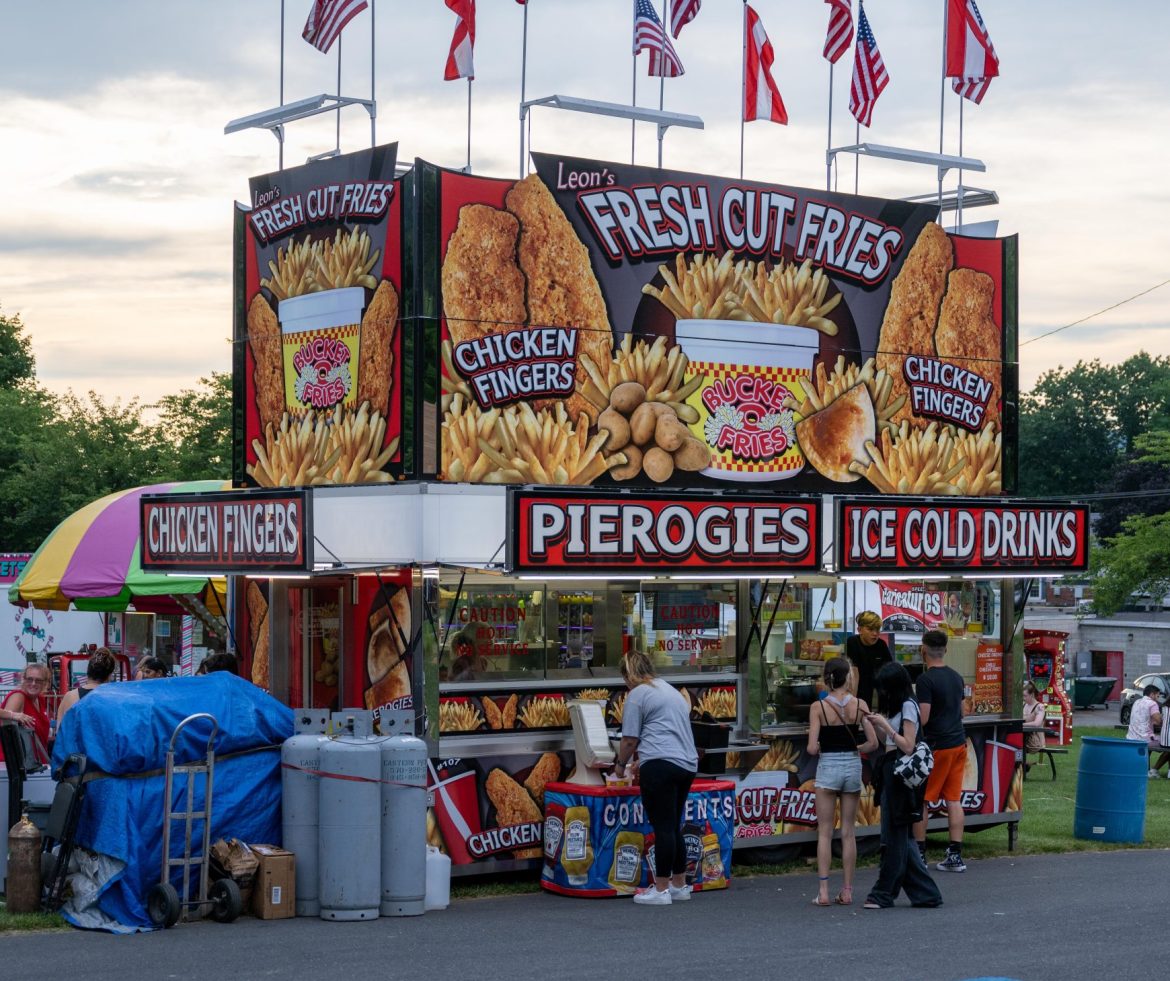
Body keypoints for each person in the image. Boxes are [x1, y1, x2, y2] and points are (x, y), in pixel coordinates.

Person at [612, 649, 698, 907]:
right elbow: (666, 730)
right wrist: (643, 759)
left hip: (660, 765)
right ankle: (679, 885)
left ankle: (660, 889)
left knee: (662, 827)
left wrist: (620, 765)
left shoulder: (638, 694)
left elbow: (629, 739)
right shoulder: (669, 690)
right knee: (673, 825)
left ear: (629, 674)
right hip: (686, 764)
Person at [863, 661, 943, 909]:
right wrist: (873, 724)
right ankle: (926, 893)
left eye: (884, 688)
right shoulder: (901, 705)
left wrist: (885, 725)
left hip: (899, 775)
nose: (881, 693)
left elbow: (907, 745)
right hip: (892, 771)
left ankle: (884, 892)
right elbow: (888, 741)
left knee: (894, 835)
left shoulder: (909, 706)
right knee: (902, 836)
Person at [806, 657, 878, 906]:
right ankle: (847, 891)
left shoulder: (818, 707)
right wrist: (853, 747)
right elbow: (873, 743)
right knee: (848, 832)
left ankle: (824, 892)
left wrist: (824, 743)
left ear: (827, 678)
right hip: (852, 765)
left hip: (828, 767)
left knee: (825, 832)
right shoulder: (860, 705)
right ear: (849, 677)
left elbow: (812, 749)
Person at [913, 629, 968, 873]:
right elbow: (963, 711)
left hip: (937, 748)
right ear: (946, 650)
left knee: (923, 800)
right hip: (959, 744)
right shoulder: (957, 677)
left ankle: (920, 855)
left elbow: (923, 718)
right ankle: (955, 855)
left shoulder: (926, 680)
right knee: (954, 800)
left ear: (923, 650)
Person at [0, 663, 54, 764]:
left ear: (45, 683)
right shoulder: (18, 697)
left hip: (34, 763)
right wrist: (14, 715)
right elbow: (6, 727)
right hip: (16, 765)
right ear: (23, 679)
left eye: (38, 680)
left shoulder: (40, 699)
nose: (33, 683)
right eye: (29, 679)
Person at [57, 647, 118, 725]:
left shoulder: (69, 697)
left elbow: (60, 732)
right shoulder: (113, 699)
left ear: (88, 671)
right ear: (110, 675)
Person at [845, 611, 892, 708]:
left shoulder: (881, 645)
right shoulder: (853, 642)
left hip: (879, 690)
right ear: (860, 630)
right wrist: (852, 703)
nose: (875, 633)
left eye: (877, 629)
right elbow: (854, 674)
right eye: (870, 629)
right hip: (860, 688)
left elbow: (890, 671)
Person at [1125, 683, 1164, 777]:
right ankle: (1154, 770)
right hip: (1145, 739)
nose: (1158, 698)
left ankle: (1144, 768)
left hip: (1131, 737)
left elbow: (1142, 718)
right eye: (1157, 695)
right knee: (1167, 742)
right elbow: (1159, 721)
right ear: (1152, 694)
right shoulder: (1152, 703)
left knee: (1152, 740)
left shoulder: (1137, 702)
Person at [1022, 681, 1047, 751]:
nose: (1023, 698)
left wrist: (1021, 724)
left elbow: (1037, 724)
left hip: (1035, 742)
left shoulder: (1040, 707)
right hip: (1023, 739)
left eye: (1025, 695)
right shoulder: (1023, 705)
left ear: (1032, 695)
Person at [1151, 692, 1170, 778]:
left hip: (1164, 739)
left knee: (1167, 751)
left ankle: (1154, 770)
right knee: (1168, 751)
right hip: (1168, 740)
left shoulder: (1165, 707)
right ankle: (1154, 770)